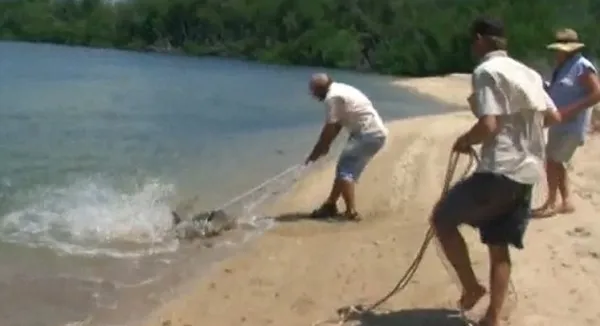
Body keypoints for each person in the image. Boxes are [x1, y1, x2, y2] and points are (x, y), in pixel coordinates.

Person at [430, 18, 561, 326]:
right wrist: (521, 136)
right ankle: (493, 317)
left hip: (499, 170)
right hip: (527, 172)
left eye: (472, 42)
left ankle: (473, 288)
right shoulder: (528, 73)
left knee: (442, 219)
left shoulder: (486, 72)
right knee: (498, 245)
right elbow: (553, 116)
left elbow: (489, 125)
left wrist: (465, 141)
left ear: (479, 40)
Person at [533, 28, 600, 217]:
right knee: (557, 161)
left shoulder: (582, 66)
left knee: (552, 161)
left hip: (571, 124)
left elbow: (597, 93)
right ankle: (566, 201)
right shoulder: (563, 67)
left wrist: (569, 110)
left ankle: (552, 202)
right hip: (560, 124)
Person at [305, 73, 387, 220]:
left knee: (345, 171)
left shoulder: (332, 98)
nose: (313, 95)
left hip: (367, 134)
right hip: (372, 132)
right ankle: (330, 205)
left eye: (314, 91)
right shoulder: (339, 88)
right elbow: (337, 125)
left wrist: (317, 150)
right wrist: (325, 147)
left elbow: (330, 127)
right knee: (344, 168)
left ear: (320, 89)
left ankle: (351, 212)